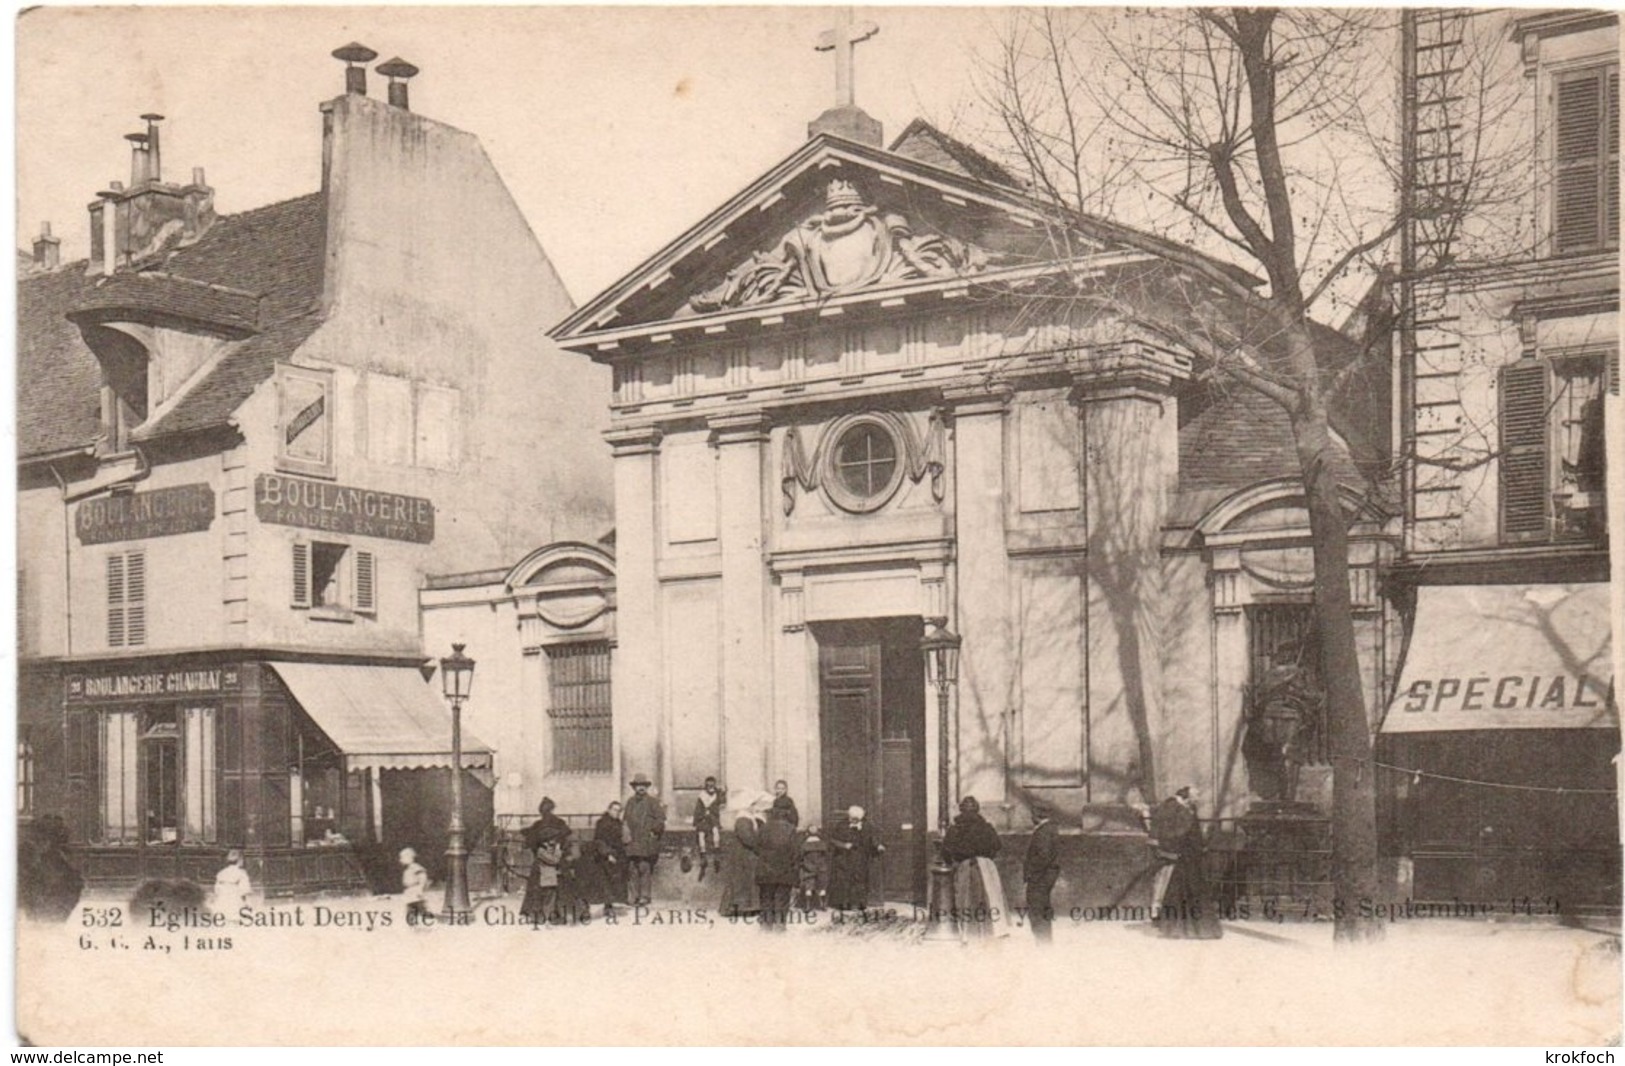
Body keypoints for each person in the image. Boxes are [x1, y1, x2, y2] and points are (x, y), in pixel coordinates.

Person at [1157, 786, 1222, 940]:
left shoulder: (1188, 810)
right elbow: (1180, 833)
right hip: (1188, 857)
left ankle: (1182, 927)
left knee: (1185, 890)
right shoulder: (1180, 811)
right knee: (1189, 890)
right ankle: (1193, 928)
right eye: (1196, 794)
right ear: (1188, 796)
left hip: (1192, 857)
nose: (1199, 797)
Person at [941, 796, 1009, 938]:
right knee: (989, 897)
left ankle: (968, 931)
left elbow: (946, 849)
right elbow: (997, 845)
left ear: (961, 810)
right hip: (986, 866)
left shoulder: (955, 829)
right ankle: (991, 930)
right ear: (977, 810)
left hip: (965, 865)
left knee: (965, 899)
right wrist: (988, 857)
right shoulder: (986, 827)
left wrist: (952, 862)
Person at [521, 797, 571, 923]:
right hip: (558, 860)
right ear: (553, 809)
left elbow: (530, 843)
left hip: (541, 860)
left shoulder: (538, 825)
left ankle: (537, 915)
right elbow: (566, 842)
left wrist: (538, 850)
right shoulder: (560, 823)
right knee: (558, 889)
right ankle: (557, 915)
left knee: (538, 888)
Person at [722, 792, 771, 919]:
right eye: (753, 804)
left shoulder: (749, 818)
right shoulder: (742, 819)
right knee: (742, 881)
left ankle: (747, 907)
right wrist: (758, 846)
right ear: (747, 805)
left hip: (746, 854)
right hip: (742, 854)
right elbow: (747, 838)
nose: (755, 807)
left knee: (747, 881)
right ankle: (740, 907)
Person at [827, 805, 883, 911]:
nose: (855, 821)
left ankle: (859, 903)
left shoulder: (867, 826)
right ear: (849, 817)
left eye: (857, 820)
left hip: (860, 857)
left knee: (859, 880)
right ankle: (843, 904)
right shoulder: (841, 825)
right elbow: (832, 840)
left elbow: (872, 838)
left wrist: (878, 845)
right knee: (844, 880)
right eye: (853, 819)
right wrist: (844, 845)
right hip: (844, 858)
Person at [754, 804, 799, 933]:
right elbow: (795, 852)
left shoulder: (763, 828)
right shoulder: (791, 829)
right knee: (782, 898)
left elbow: (756, 847)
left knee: (766, 897)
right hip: (784, 870)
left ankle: (766, 926)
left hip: (765, 869)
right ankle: (780, 926)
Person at [623, 772, 666, 906]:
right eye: (638, 785)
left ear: (646, 787)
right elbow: (625, 819)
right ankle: (633, 896)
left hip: (646, 840)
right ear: (634, 787)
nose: (640, 788)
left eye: (643, 785)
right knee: (632, 868)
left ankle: (645, 896)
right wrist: (626, 833)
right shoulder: (630, 802)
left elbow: (661, 819)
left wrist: (653, 831)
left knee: (644, 867)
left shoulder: (653, 802)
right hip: (632, 840)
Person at [1023, 802, 1060, 943]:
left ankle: (1042, 940)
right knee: (1042, 909)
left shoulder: (1043, 831)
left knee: (1036, 910)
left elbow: (1043, 857)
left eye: (1032, 814)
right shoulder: (1049, 829)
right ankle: (1044, 939)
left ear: (1038, 815)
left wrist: (1032, 874)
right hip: (1045, 876)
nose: (1031, 817)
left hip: (1040, 878)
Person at [592, 800, 628, 915]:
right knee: (606, 880)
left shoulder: (618, 823)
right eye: (614, 810)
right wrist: (608, 854)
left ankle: (611, 904)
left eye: (619, 810)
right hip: (605, 856)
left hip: (616, 855)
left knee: (614, 880)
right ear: (609, 810)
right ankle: (608, 907)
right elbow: (599, 840)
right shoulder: (602, 823)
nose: (617, 812)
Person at [692, 776, 726, 880]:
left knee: (716, 832)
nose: (710, 787)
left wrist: (723, 792)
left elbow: (722, 801)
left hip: (713, 819)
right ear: (706, 786)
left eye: (712, 785)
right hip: (704, 820)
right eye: (708, 786)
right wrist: (697, 819)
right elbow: (697, 809)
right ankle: (703, 855)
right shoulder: (702, 796)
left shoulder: (716, 795)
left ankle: (717, 853)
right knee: (701, 834)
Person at [212, 848, 253, 921]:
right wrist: (247, 903)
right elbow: (244, 890)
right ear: (240, 861)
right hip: (235, 900)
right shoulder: (241, 873)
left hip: (222, 902)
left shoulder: (221, 873)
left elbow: (217, 890)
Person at [796, 824, 830, 910]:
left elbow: (800, 855)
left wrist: (801, 863)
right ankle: (823, 904)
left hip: (808, 867)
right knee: (822, 886)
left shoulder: (804, 844)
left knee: (809, 885)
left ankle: (808, 905)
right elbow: (827, 855)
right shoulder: (823, 844)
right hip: (821, 867)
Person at [400, 847, 429, 926]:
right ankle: (412, 922)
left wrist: (421, 888)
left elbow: (423, 877)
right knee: (411, 907)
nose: (400, 860)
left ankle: (425, 919)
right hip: (410, 892)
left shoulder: (416, 867)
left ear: (409, 858)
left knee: (417, 906)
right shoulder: (408, 869)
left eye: (402, 858)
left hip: (415, 891)